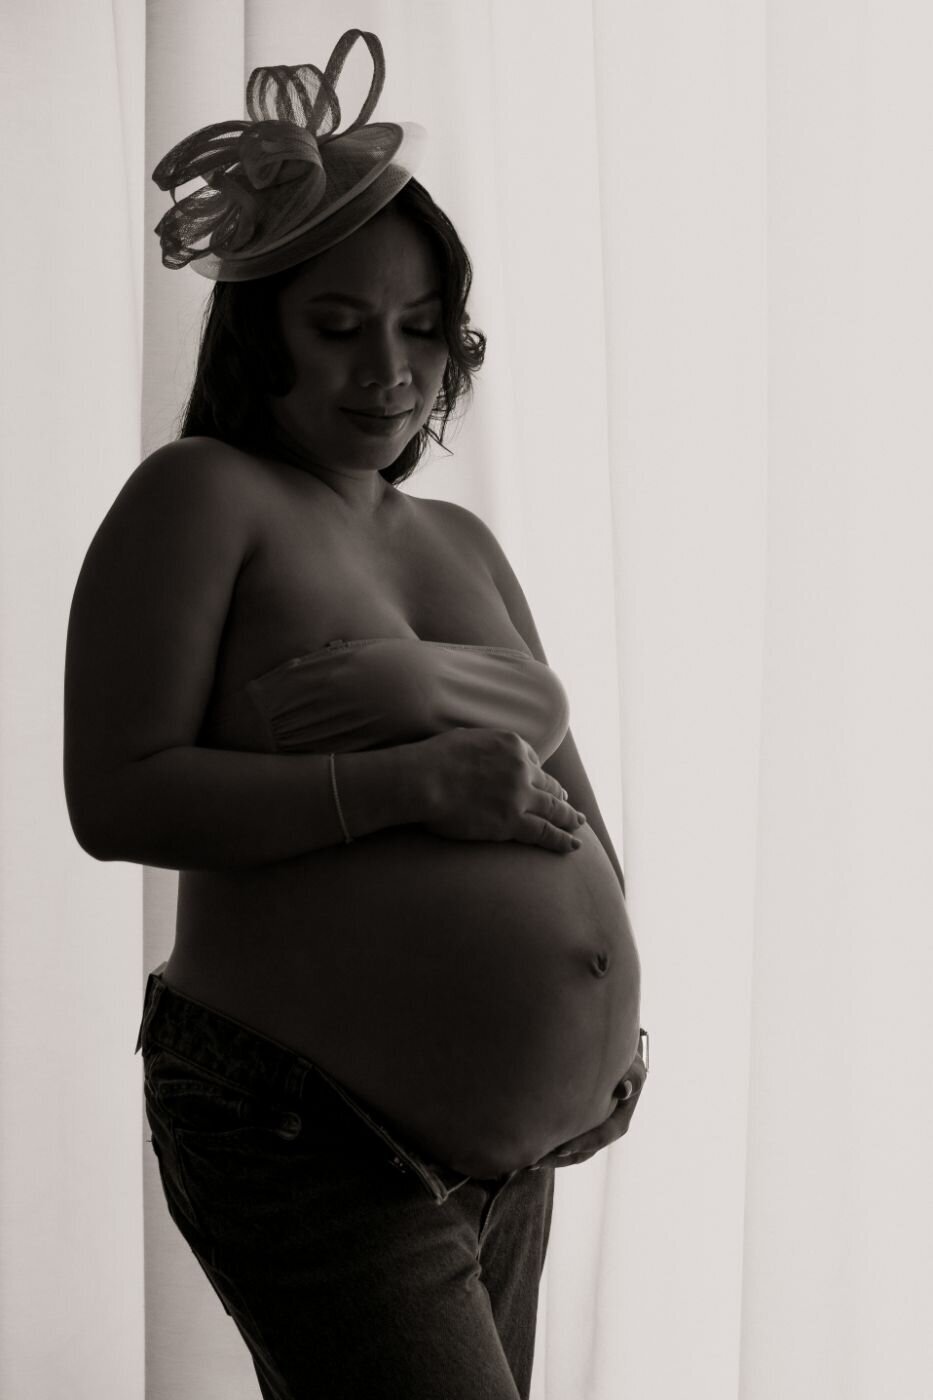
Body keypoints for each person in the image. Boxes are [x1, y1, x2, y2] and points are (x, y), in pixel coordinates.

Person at [63, 28, 648, 1400]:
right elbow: (120, 797)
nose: (388, 368)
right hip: (311, 1128)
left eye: (420, 327)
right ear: (259, 328)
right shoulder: (202, 494)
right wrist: (413, 788)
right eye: (337, 327)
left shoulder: (457, 537)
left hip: (517, 1150)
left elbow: (549, 757)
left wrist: (596, 977)